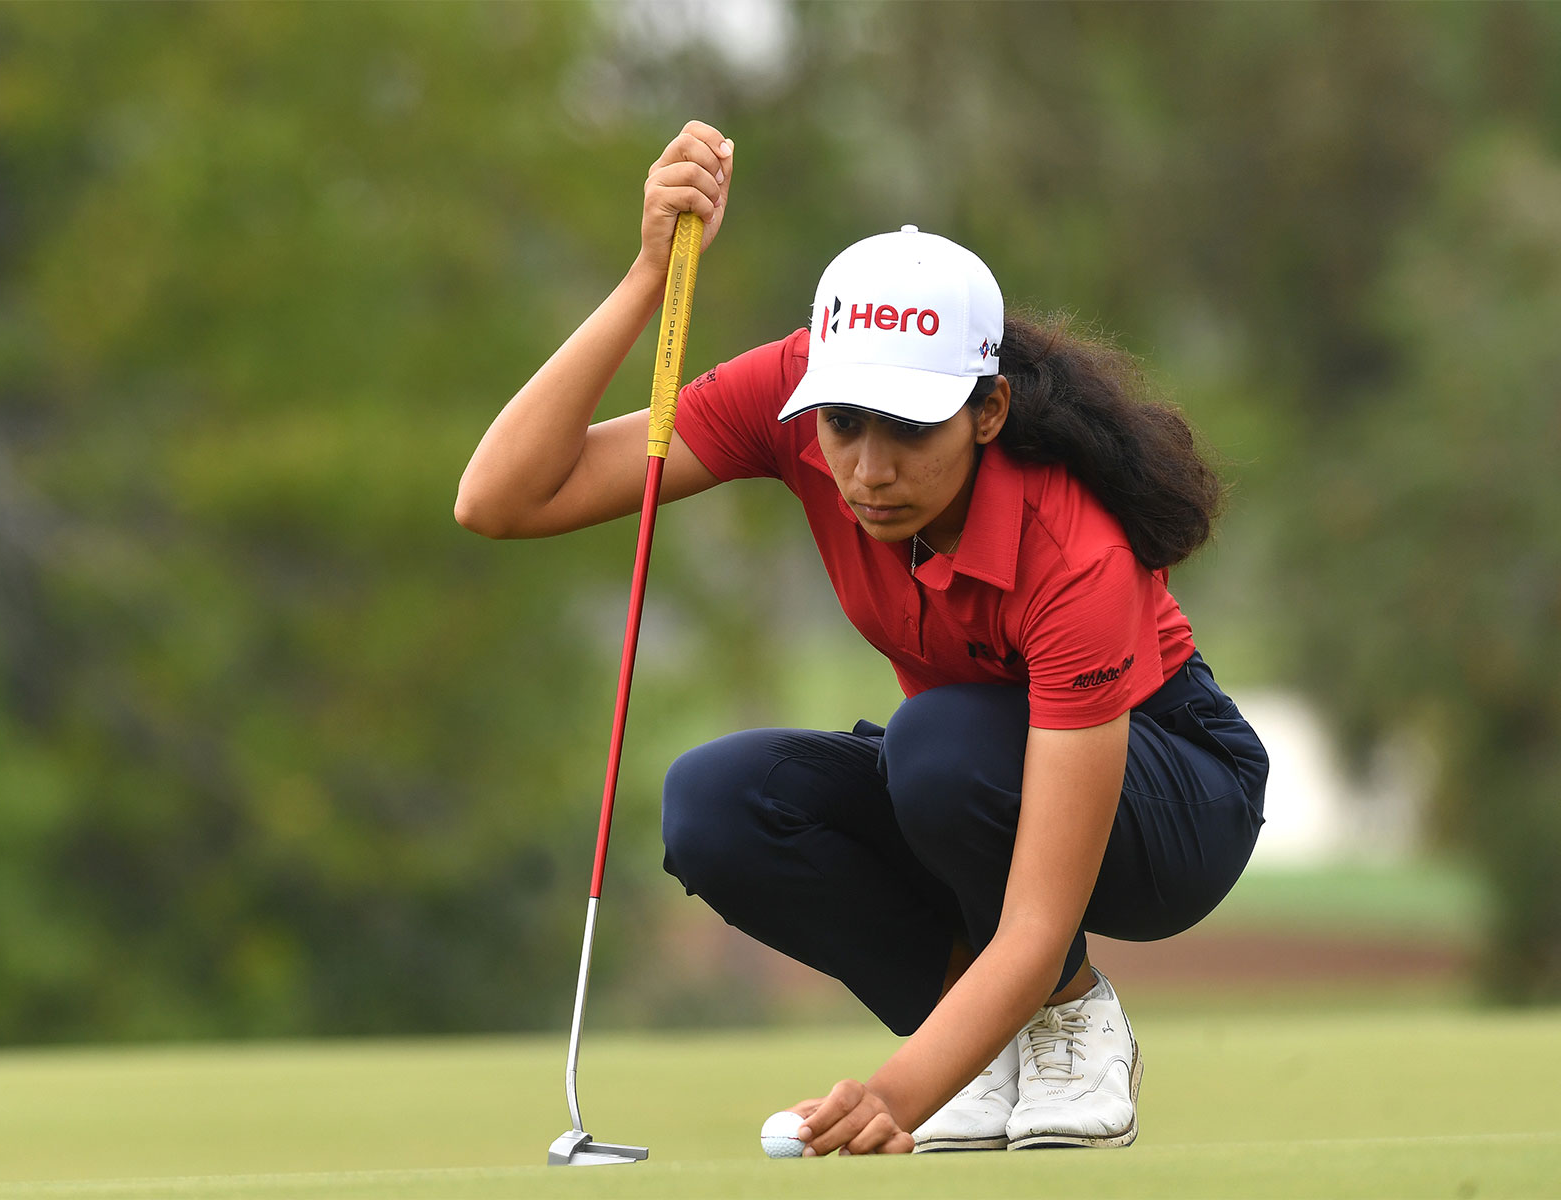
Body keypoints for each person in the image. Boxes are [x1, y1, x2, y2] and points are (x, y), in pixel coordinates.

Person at [456, 121, 1269, 1157]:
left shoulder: (1074, 548)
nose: (869, 470)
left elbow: (1030, 922)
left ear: (987, 411)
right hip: (971, 773)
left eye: (909, 427)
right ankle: (977, 1043)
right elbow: (500, 498)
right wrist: (647, 280)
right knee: (717, 804)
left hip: (1174, 797)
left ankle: (1072, 1029)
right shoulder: (792, 398)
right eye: (844, 422)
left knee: (939, 745)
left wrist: (896, 1091)